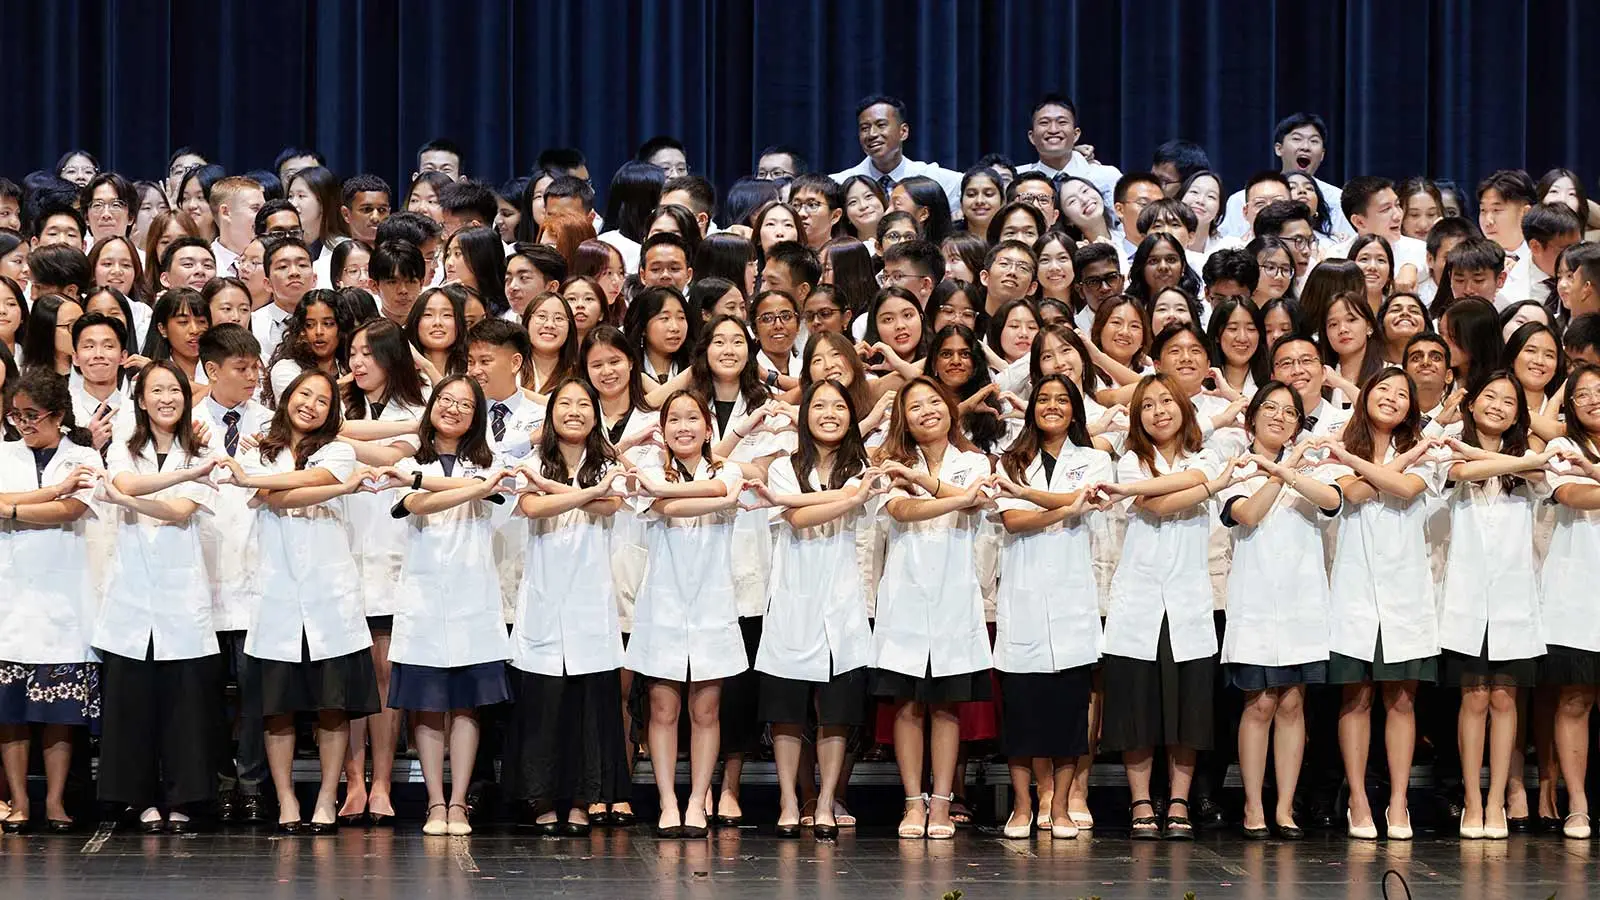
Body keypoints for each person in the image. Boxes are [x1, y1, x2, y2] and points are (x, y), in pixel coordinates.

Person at [223, 369, 381, 834]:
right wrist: (337, 487)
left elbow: (283, 489)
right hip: (275, 592)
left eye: (322, 399)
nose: (310, 404)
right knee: (278, 708)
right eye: (303, 395)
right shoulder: (256, 447)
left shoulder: (338, 449)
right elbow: (265, 497)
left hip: (328, 593)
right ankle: (288, 799)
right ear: (286, 398)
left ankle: (327, 798)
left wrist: (270, 485)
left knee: (333, 708)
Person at [378, 374, 513, 837]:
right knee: (428, 705)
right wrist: (469, 486)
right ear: (431, 406)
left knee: (468, 706)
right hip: (424, 595)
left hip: (473, 594)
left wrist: (463, 484)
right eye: (446, 400)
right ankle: (435, 802)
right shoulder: (409, 459)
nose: (453, 409)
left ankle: (460, 803)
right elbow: (417, 505)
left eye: (465, 404)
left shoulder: (490, 461)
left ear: (477, 417)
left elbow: (491, 492)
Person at [92, 360, 222, 833]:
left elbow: (179, 510)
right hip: (131, 591)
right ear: (141, 399)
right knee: (133, 701)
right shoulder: (126, 447)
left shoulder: (205, 446)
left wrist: (125, 500)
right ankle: (138, 798)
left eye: (175, 390)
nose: (167, 398)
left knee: (183, 702)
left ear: (187, 399)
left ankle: (185, 796)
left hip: (181, 591)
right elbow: (126, 482)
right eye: (157, 391)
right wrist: (180, 476)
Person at [867, 377, 993, 840]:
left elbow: (982, 506)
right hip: (905, 595)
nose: (926, 411)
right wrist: (956, 497)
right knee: (907, 706)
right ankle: (911, 802)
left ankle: (942, 801)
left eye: (933, 402)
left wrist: (931, 486)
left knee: (946, 707)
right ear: (903, 418)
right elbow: (901, 511)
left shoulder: (975, 460)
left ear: (950, 409)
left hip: (954, 597)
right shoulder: (888, 462)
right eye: (914, 406)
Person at [1325, 368, 1447, 840]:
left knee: (1401, 698)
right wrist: (1348, 459)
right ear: (1365, 396)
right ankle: (1358, 798)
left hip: (1404, 591)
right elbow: (1348, 494)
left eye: (1402, 394)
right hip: (1353, 589)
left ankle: (1398, 801)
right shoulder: (1337, 441)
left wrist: (1411, 455)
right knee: (1355, 697)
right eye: (1383, 389)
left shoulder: (1421, 451)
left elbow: (1406, 488)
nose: (1392, 398)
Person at [506, 377, 631, 835]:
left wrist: (552, 489)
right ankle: (540, 798)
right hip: (544, 595)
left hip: (591, 600)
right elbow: (533, 510)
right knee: (543, 705)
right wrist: (574, 492)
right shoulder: (534, 460)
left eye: (584, 403)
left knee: (589, 707)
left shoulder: (607, 463)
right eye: (565, 404)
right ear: (551, 414)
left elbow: (611, 506)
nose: (575, 410)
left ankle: (582, 799)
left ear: (596, 414)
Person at [1217, 382, 1342, 839]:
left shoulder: (1313, 464)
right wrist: (1279, 469)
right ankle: (1253, 805)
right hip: (1254, 601)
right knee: (1260, 703)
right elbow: (1246, 515)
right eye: (1269, 407)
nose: (1279, 416)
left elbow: (1331, 501)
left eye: (1289, 411)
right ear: (1251, 417)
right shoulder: (1236, 466)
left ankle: (1285, 807)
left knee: (1293, 703)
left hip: (1303, 601)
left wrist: (1288, 468)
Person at [625, 389, 750, 837]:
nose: (683, 426)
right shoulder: (647, 470)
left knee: (707, 711)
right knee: (662, 709)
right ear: (662, 430)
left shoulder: (728, 468)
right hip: (664, 600)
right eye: (673, 419)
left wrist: (704, 493)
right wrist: (718, 500)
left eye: (692, 417)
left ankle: (698, 800)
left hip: (713, 601)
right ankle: (666, 801)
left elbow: (711, 488)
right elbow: (666, 505)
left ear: (707, 426)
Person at [991, 375, 1110, 840]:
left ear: (1075, 410)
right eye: (1043, 399)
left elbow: (1092, 502)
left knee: (1067, 718)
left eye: (1062, 400)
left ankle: (1059, 807)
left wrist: (1028, 495)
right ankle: (1023, 806)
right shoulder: (1009, 460)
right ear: (1031, 408)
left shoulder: (1095, 459)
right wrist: (1065, 507)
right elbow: (1014, 521)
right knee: (1022, 716)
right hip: (1022, 599)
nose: (1052, 406)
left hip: (1071, 601)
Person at [1437, 372, 1552, 840]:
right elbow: (1459, 472)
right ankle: (1471, 799)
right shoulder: (1447, 445)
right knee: (1474, 697)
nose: (1500, 406)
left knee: (1505, 698)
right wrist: (1497, 458)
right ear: (1472, 403)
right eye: (1490, 397)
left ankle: (1499, 799)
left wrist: (1518, 458)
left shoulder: (1529, 461)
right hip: (1463, 595)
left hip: (1511, 597)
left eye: (1509, 401)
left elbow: (1539, 474)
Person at [0, 368, 103, 834]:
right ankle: (21, 801)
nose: (23, 424)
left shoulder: (83, 456)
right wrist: (51, 493)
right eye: (16, 415)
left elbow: (73, 509)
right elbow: (56, 502)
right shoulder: (2, 453)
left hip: (64, 595)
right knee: (12, 712)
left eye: (32, 416)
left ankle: (57, 801)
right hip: (11, 594)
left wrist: (13, 508)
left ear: (58, 415)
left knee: (59, 711)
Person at [192, 325, 271, 823]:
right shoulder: (187, 421)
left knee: (256, 689)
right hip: (199, 575)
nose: (251, 376)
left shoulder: (272, 422)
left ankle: (254, 782)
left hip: (255, 577)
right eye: (241, 368)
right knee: (204, 694)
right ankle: (217, 779)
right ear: (212, 371)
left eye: (255, 366)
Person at [1541, 363, 1600, 838]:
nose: (1595, 398)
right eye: (1583, 395)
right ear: (1571, 407)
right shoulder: (1562, 447)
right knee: (1574, 698)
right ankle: (1577, 803)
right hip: (1578, 593)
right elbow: (1574, 495)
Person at [1220, 113, 1352, 238]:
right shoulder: (1241, 199)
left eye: (1314, 141)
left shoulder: (1336, 198)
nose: (1305, 147)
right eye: (1297, 139)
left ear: (1322, 154)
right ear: (1279, 148)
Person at [828, 95, 961, 209]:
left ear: (903, 132)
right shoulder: (840, 183)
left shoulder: (931, 178)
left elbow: (973, 186)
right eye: (864, 128)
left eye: (881, 125)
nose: (872, 134)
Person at [1016, 93, 1122, 205]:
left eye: (1062, 122)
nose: (1053, 130)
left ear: (1076, 134)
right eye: (1044, 123)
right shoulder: (1018, 180)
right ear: (1032, 137)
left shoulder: (1106, 176)